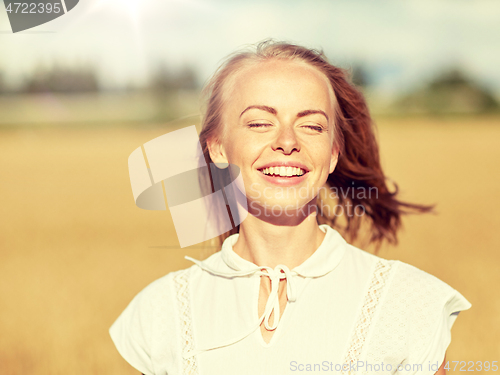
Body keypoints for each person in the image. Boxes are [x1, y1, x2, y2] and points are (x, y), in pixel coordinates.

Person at [110, 40, 471, 375]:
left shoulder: (409, 304)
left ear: (333, 154)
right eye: (260, 123)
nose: (286, 141)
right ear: (217, 148)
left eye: (312, 125)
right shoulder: (161, 313)